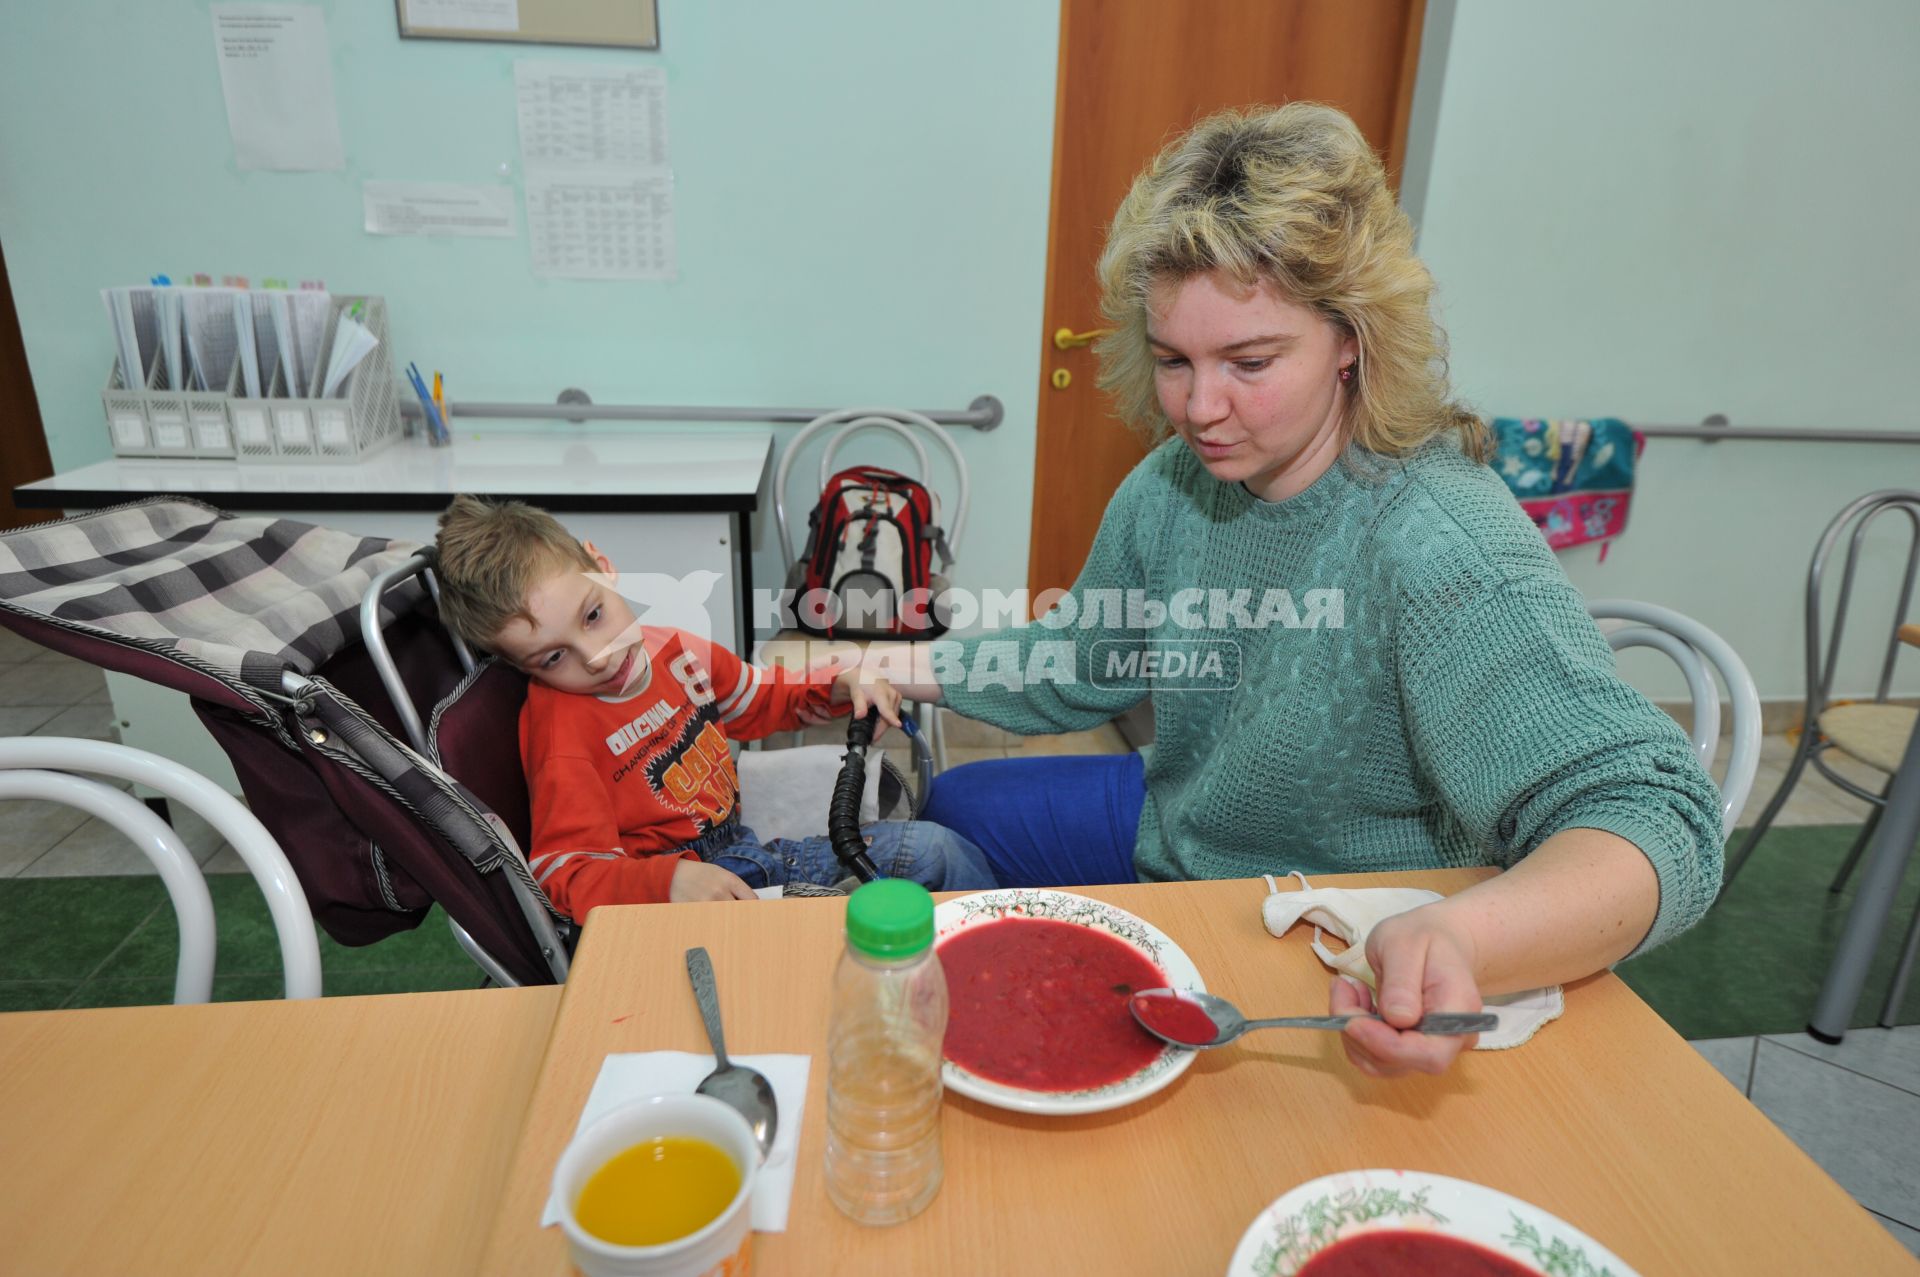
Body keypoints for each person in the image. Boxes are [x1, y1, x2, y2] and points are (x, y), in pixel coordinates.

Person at [884, 103, 1724, 1078]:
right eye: (1173, 361)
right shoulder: (1173, 487)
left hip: (1318, 910)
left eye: (1249, 362)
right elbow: (1084, 659)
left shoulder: (1437, 540)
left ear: (1351, 338)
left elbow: (1657, 816)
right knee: (952, 803)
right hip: (1195, 820)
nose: (1200, 408)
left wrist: (1461, 938)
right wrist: (888, 666)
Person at [432, 495, 995, 923]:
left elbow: (764, 700)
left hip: (743, 853)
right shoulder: (562, 737)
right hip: (687, 898)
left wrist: (839, 684)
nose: (596, 657)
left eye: (593, 616)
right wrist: (667, 882)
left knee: (935, 852)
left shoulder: (678, 649)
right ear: (520, 667)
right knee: (925, 861)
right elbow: (563, 872)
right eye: (555, 656)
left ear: (602, 566)